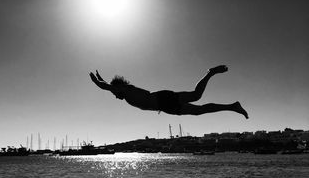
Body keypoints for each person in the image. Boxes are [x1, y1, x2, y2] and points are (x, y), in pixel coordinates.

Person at [89, 65, 248, 119]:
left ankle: (211, 73)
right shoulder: (125, 93)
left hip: (163, 101)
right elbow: (109, 87)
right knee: (197, 102)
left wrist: (97, 81)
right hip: (163, 101)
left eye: (115, 92)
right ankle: (233, 106)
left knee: (197, 101)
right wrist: (100, 79)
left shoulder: (124, 90)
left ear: (119, 87)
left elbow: (107, 86)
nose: (115, 96)